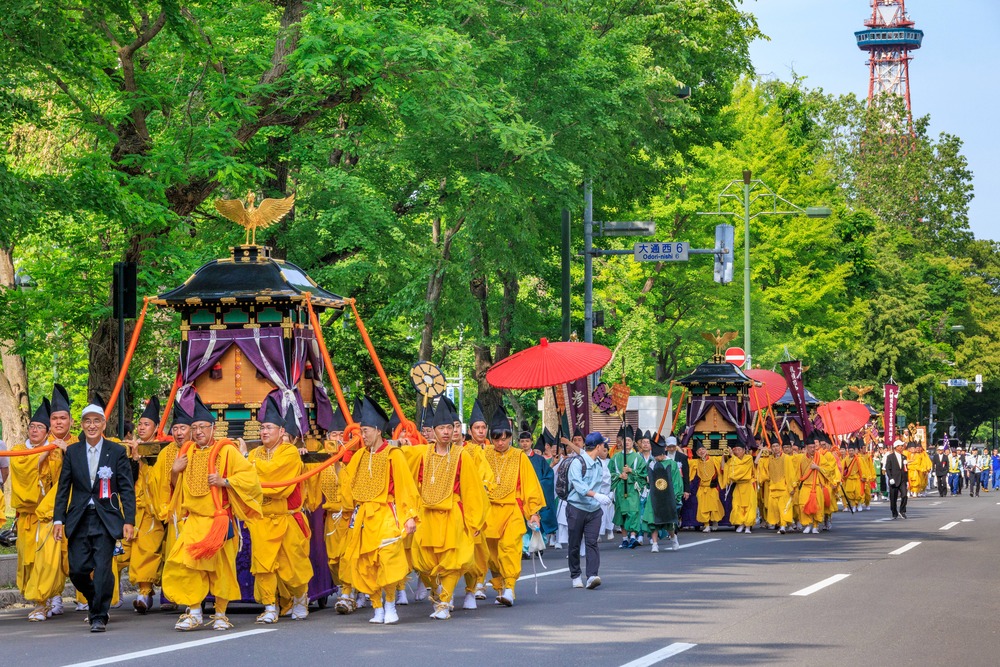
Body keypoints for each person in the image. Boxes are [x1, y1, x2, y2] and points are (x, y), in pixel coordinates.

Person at [162, 392, 263, 631]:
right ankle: (195, 611)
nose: (198, 432)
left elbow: (250, 479)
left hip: (219, 521)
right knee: (187, 565)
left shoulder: (226, 451)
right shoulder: (186, 452)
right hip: (194, 521)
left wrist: (224, 481)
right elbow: (177, 489)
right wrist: (175, 471)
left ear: (213, 428)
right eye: (194, 427)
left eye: (202, 427)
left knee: (222, 568)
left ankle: (220, 614)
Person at [52, 399, 136, 632]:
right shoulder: (73, 451)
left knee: (102, 568)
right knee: (77, 570)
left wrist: (129, 520)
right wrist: (58, 519)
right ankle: (94, 599)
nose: (91, 425)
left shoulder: (116, 451)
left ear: (103, 424)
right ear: (81, 424)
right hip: (78, 518)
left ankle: (99, 616)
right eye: (87, 421)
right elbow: (63, 487)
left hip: (106, 517)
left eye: (96, 421)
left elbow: (127, 488)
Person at [403, 396, 487, 619]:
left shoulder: (462, 456)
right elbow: (403, 473)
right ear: (433, 430)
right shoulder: (421, 454)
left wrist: (474, 521)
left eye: (450, 427)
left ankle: (444, 603)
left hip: (452, 515)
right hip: (427, 517)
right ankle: (439, 593)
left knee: (452, 561)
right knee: (423, 563)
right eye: (442, 428)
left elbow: (472, 491)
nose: (447, 432)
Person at [340, 395, 418, 625]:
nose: (362, 435)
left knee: (389, 560)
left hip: (387, 514)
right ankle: (376, 606)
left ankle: (391, 603)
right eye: (360, 431)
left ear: (377, 430)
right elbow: (346, 484)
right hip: (364, 517)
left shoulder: (394, 455)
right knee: (366, 563)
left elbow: (406, 488)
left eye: (365, 431)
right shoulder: (359, 457)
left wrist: (410, 516)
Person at [246, 395, 312, 624]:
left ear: (280, 430)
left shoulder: (289, 452)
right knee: (263, 567)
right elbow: (245, 481)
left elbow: (277, 483)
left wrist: (252, 469)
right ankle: (269, 606)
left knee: (292, 566)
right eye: (262, 428)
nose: (264, 432)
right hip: (262, 519)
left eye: (269, 428)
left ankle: (300, 597)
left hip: (286, 518)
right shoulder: (254, 454)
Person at [9, 396, 68, 621]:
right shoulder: (18, 450)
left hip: (47, 516)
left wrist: (60, 453)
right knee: (29, 562)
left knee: (47, 559)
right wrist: (41, 455)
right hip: (26, 517)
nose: (34, 430)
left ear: (47, 432)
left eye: (40, 427)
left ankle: (44, 602)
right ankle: (43, 599)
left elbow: (65, 478)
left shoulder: (56, 450)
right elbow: (21, 473)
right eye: (32, 427)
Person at [481, 404, 544, 607]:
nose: (501, 442)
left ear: (511, 437)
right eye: (497, 438)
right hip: (489, 511)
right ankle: (500, 587)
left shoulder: (519, 456)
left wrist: (533, 512)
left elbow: (530, 486)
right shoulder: (484, 454)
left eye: (505, 437)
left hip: (512, 510)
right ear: (491, 438)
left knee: (509, 548)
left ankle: (509, 588)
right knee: (491, 555)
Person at [126, 396, 166, 613]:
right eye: (140, 424)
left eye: (147, 424)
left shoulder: (161, 449)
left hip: (153, 510)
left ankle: (144, 593)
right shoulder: (127, 446)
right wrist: (133, 456)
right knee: (119, 552)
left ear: (156, 427)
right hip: (131, 509)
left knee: (147, 550)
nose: (142, 427)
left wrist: (139, 457)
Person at [566, 432, 610, 589]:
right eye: (603, 444)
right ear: (598, 446)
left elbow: (601, 483)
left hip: (594, 509)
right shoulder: (577, 463)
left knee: (592, 542)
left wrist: (605, 496)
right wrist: (596, 495)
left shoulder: (599, 463)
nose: (605, 447)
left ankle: (592, 575)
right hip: (576, 508)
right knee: (575, 543)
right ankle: (575, 575)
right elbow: (578, 485)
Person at [609, 426, 646, 547]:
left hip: (632, 489)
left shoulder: (637, 458)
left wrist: (631, 472)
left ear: (632, 442)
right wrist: (619, 476)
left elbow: (642, 475)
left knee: (633, 512)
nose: (627, 443)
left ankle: (633, 537)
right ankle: (625, 538)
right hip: (620, 489)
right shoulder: (615, 457)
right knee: (622, 514)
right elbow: (608, 474)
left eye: (629, 441)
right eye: (625, 441)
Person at [643, 436, 682, 551]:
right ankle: (654, 544)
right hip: (654, 496)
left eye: (657, 456)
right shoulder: (651, 464)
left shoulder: (671, 464)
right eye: (654, 456)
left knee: (668, 520)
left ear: (662, 454)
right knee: (652, 519)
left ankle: (673, 538)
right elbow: (646, 478)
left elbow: (676, 481)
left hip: (667, 496)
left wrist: (676, 495)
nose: (656, 458)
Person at [691, 444, 723, 532]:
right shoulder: (696, 462)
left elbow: (723, 467)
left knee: (714, 506)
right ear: (697, 453)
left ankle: (715, 521)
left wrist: (724, 456)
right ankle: (706, 525)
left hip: (712, 488)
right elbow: (686, 463)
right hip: (702, 488)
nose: (701, 451)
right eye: (699, 451)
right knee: (703, 507)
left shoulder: (714, 459)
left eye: (703, 449)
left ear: (706, 450)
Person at [725, 442, 756, 534]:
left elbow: (742, 469)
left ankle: (748, 526)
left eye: (739, 450)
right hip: (738, 485)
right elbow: (729, 471)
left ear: (744, 451)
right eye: (735, 450)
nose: (737, 452)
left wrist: (732, 456)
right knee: (737, 505)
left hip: (748, 485)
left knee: (749, 505)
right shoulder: (732, 460)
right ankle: (741, 523)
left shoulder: (748, 458)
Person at [885, 439, 908, 519]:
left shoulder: (904, 457)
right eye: (901, 446)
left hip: (902, 480)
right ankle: (894, 512)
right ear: (896, 447)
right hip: (894, 480)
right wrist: (890, 478)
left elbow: (905, 469)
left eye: (902, 446)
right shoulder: (890, 457)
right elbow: (887, 468)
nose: (902, 447)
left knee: (904, 495)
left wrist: (907, 480)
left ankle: (902, 511)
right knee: (893, 498)